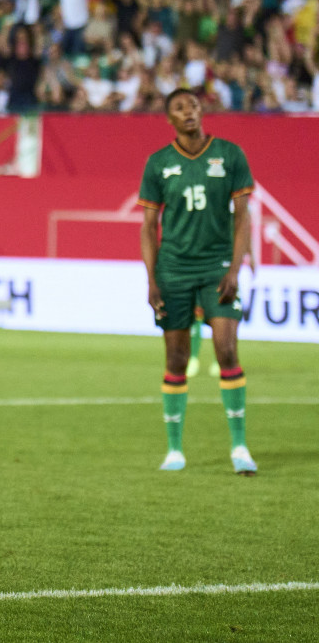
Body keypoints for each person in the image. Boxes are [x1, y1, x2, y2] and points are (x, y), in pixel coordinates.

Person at [138, 88, 255, 476]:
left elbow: (242, 217)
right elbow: (149, 226)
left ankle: (239, 446)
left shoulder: (231, 154)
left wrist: (235, 268)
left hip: (217, 266)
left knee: (227, 351)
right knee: (175, 358)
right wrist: (152, 279)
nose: (188, 112)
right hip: (173, 269)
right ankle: (174, 450)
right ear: (168, 119)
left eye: (192, 106)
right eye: (178, 108)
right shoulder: (158, 163)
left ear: (202, 110)